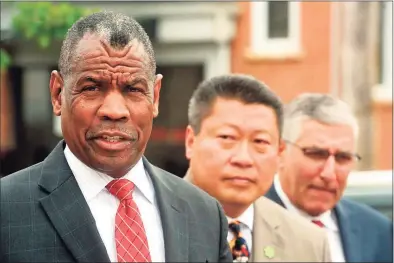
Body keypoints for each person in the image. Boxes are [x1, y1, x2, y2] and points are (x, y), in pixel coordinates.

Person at [0, 11, 232, 263]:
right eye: (91, 88)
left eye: (133, 89)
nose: (114, 111)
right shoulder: (7, 210)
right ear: (58, 94)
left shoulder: (205, 214)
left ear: (155, 96)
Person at [184, 74, 331, 262]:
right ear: (190, 141)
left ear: (280, 152)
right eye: (227, 138)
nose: (243, 159)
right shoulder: (151, 224)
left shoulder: (310, 243)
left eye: (260, 141)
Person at [265, 93, 393, 262]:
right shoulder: (243, 224)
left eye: (343, 157)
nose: (329, 173)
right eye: (316, 154)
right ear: (281, 151)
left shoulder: (376, 231)